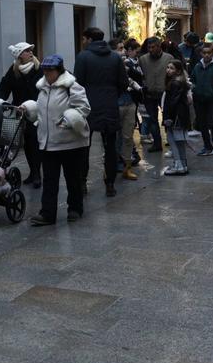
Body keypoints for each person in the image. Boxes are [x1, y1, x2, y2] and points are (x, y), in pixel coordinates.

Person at [27, 55, 91, 224]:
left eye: (51, 70)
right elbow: (42, 112)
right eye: (45, 70)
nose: (47, 73)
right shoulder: (42, 88)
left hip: (71, 142)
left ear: (59, 70)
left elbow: (84, 108)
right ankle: (47, 214)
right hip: (48, 143)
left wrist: (69, 120)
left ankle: (75, 209)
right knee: (49, 180)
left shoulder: (72, 86)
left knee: (73, 178)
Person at [74, 28, 126, 192]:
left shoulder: (83, 57)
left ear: (89, 39)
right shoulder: (115, 57)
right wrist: (112, 95)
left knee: (84, 145)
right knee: (110, 147)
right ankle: (110, 183)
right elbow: (123, 83)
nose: (82, 42)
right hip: (110, 105)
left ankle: (82, 182)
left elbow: (78, 83)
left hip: (88, 106)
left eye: (83, 39)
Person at [0, 43, 43, 188]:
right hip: (19, 111)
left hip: (36, 111)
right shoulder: (14, 70)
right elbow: (3, 87)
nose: (30, 53)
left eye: (30, 50)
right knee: (26, 143)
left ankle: (36, 174)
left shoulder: (38, 69)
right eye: (27, 51)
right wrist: (1, 100)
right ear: (20, 55)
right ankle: (33, 172)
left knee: (34, 142)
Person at [139, 38, 175, 153]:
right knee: (153, 120)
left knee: (168, 118)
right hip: (149, 94)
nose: (151, 50)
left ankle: (171, 141)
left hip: (165, 93)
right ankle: (157, 143)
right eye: (149, 47)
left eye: (153, 47)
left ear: (159, 46)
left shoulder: (168, 58)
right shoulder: (143, 59)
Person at [190, 44, 213, 158]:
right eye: (204, 53)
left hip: (212, 99)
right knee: (202, 123)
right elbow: (192, 79)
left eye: (209, 53)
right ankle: (207, 146)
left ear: (212, 53)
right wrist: (194, 88)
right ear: (201, 54)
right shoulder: (197, 66)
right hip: (199, 99)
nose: (206, 55)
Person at [117, 38, 145, 178]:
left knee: (128, 136)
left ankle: (126, 166)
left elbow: (132, 80)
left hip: (129, 103)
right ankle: (114, 164)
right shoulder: (113, 66)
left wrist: (138, 88)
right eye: (120, 49)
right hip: (117, 104)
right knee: (116, 137)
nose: (124, 52)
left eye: (124, 48)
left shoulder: (126, 65)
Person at [161, 60, 193, 176]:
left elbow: (172, 102)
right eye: (168, 67)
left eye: (171, 68)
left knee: (173, 141)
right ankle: (182, 165)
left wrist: (168, 117)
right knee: (179, 142)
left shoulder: (175, 83)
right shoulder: (181, 82)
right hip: (180, 116)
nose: (168, 70)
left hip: (175, 118)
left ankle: (178, 165)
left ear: (178, 71)